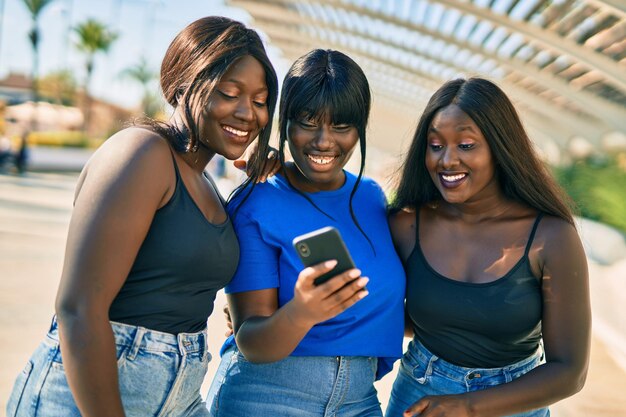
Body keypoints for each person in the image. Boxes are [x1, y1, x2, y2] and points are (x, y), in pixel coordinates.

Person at [6, 16, 278, 417]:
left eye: (259, 101)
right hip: (93, 388)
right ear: (183, 85)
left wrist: (270, 179)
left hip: (180, 391)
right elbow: (78, 308)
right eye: (229, 92)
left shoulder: (207, 183)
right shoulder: (141, 154)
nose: (247, 113)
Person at [205, 49, 406, 417]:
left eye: (342, 126)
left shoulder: (372, 198)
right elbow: (249, 340)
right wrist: (300, 313)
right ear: (286, 123)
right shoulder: (257, 200)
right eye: (308, 122)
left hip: (359, 401)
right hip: (267, 397)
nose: (324, 141)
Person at [385, 77, 590, 417]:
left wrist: (467, 406)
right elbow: (393, 314)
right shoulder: (406, 225)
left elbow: (570, 371)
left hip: (515, 403)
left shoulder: (550, 237)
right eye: (436, 146)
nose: (447, 160)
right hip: (419, 397)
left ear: (500, 147)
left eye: (466, 145)